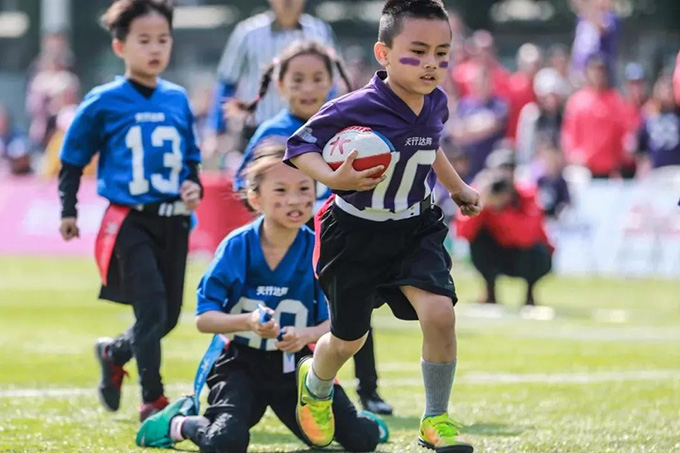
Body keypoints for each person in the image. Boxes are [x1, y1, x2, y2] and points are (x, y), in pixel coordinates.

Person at [285, 1, 481, 451]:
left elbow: (430, 147)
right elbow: (300, 146)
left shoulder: (436, 102)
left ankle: (436, 419)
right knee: (348, 340)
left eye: (442, 53)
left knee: (440, 314)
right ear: (384, 54)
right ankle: (315, 387)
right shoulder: (355, 106)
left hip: (414, 227)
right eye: (418, 51)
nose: (432, 63)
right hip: (353, 234)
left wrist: (457, 188)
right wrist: (334, 179)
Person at [136, 143, 383, 453]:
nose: (294, 200)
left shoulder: (322, 249)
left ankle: (359, 421)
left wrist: (304, 335)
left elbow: (337, 321)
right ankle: (180, 424)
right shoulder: (238, 246)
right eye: (280, 190)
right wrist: (248, 322)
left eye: (304, 188)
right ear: (255, 198)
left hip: (296, 366)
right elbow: (204, 319)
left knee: (362, 441)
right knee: (225, 442)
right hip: (239, 363)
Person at [230, 40, 394, 415]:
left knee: (355, 310)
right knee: (299, 315)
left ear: (332, 82)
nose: (309, 87)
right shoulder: (272, 133)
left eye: (318, 78)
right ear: (280, 85)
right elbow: (245, 185)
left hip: (342, 237)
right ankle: (284, 387)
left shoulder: (349, 128)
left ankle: (369, 389)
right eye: (298, 79)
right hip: (295, 243)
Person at [57, 0, 202, 422]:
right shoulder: (103, 101)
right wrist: (69, 209)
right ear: (120, 46)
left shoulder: (177, 98)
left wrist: (193, 186)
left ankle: (113, 351)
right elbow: (72, 158)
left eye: (163, 39)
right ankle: (152, 401)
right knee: (152, 310)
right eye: (144, 40)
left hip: (174, 219)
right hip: (129, 220)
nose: (155, 48)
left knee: (169, 317)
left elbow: (190, 159)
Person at [206, 0, 337, 155]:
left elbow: (331, 81)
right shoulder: (248, 32)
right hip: (259, 129)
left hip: (309, 129)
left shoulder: (319, 31)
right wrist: (215, 131)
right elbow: (227, 81)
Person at [457, 149, 553, 306]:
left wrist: (501, 209)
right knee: (478, 242)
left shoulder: (527, 193)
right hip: (496, 252)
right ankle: (490, 293)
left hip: (523, 254)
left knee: (539, 252)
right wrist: (482, 206)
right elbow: (464, 233)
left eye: (509, 170)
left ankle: (529, 294)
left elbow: (526, 237)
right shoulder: (480, 192)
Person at [561, 54, 626, 178]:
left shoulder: (615, 100)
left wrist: (619, 162)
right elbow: (569, 133)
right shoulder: (577, 101)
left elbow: (620, 133)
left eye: (601, 70)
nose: (598, 74)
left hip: (609, 169)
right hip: (584, 168)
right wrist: (573, 155)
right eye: (594, 69)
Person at [451, 65, 509, 182]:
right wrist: (479, 125)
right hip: (467, 167)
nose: (480, 85)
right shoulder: (464, 104)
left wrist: (467, 128)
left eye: (484, 81)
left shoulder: (499, 104)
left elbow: (491, 126)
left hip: (490, 166)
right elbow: (455, 132)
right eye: (477, 82)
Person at [516, 68, 569, 166]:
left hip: (559, 166)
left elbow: (566, 147)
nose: (551, 100)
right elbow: (525, 149)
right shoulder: (531, 115)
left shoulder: (564, 115)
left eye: (554, 95)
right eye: (547, 96)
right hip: (536, 164)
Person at [637, 75, 680, 174]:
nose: (667, 93)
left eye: (670, 89)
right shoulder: (649, 116)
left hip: (677, 170)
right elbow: (641, 147)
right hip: (657, 172)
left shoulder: (678, 115)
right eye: (663, 89)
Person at [570, 0, 620, 84]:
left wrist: (586, 7)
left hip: (602, 69)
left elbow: (602, 29)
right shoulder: (582, 19)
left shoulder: (611, 17)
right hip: (582, 68)